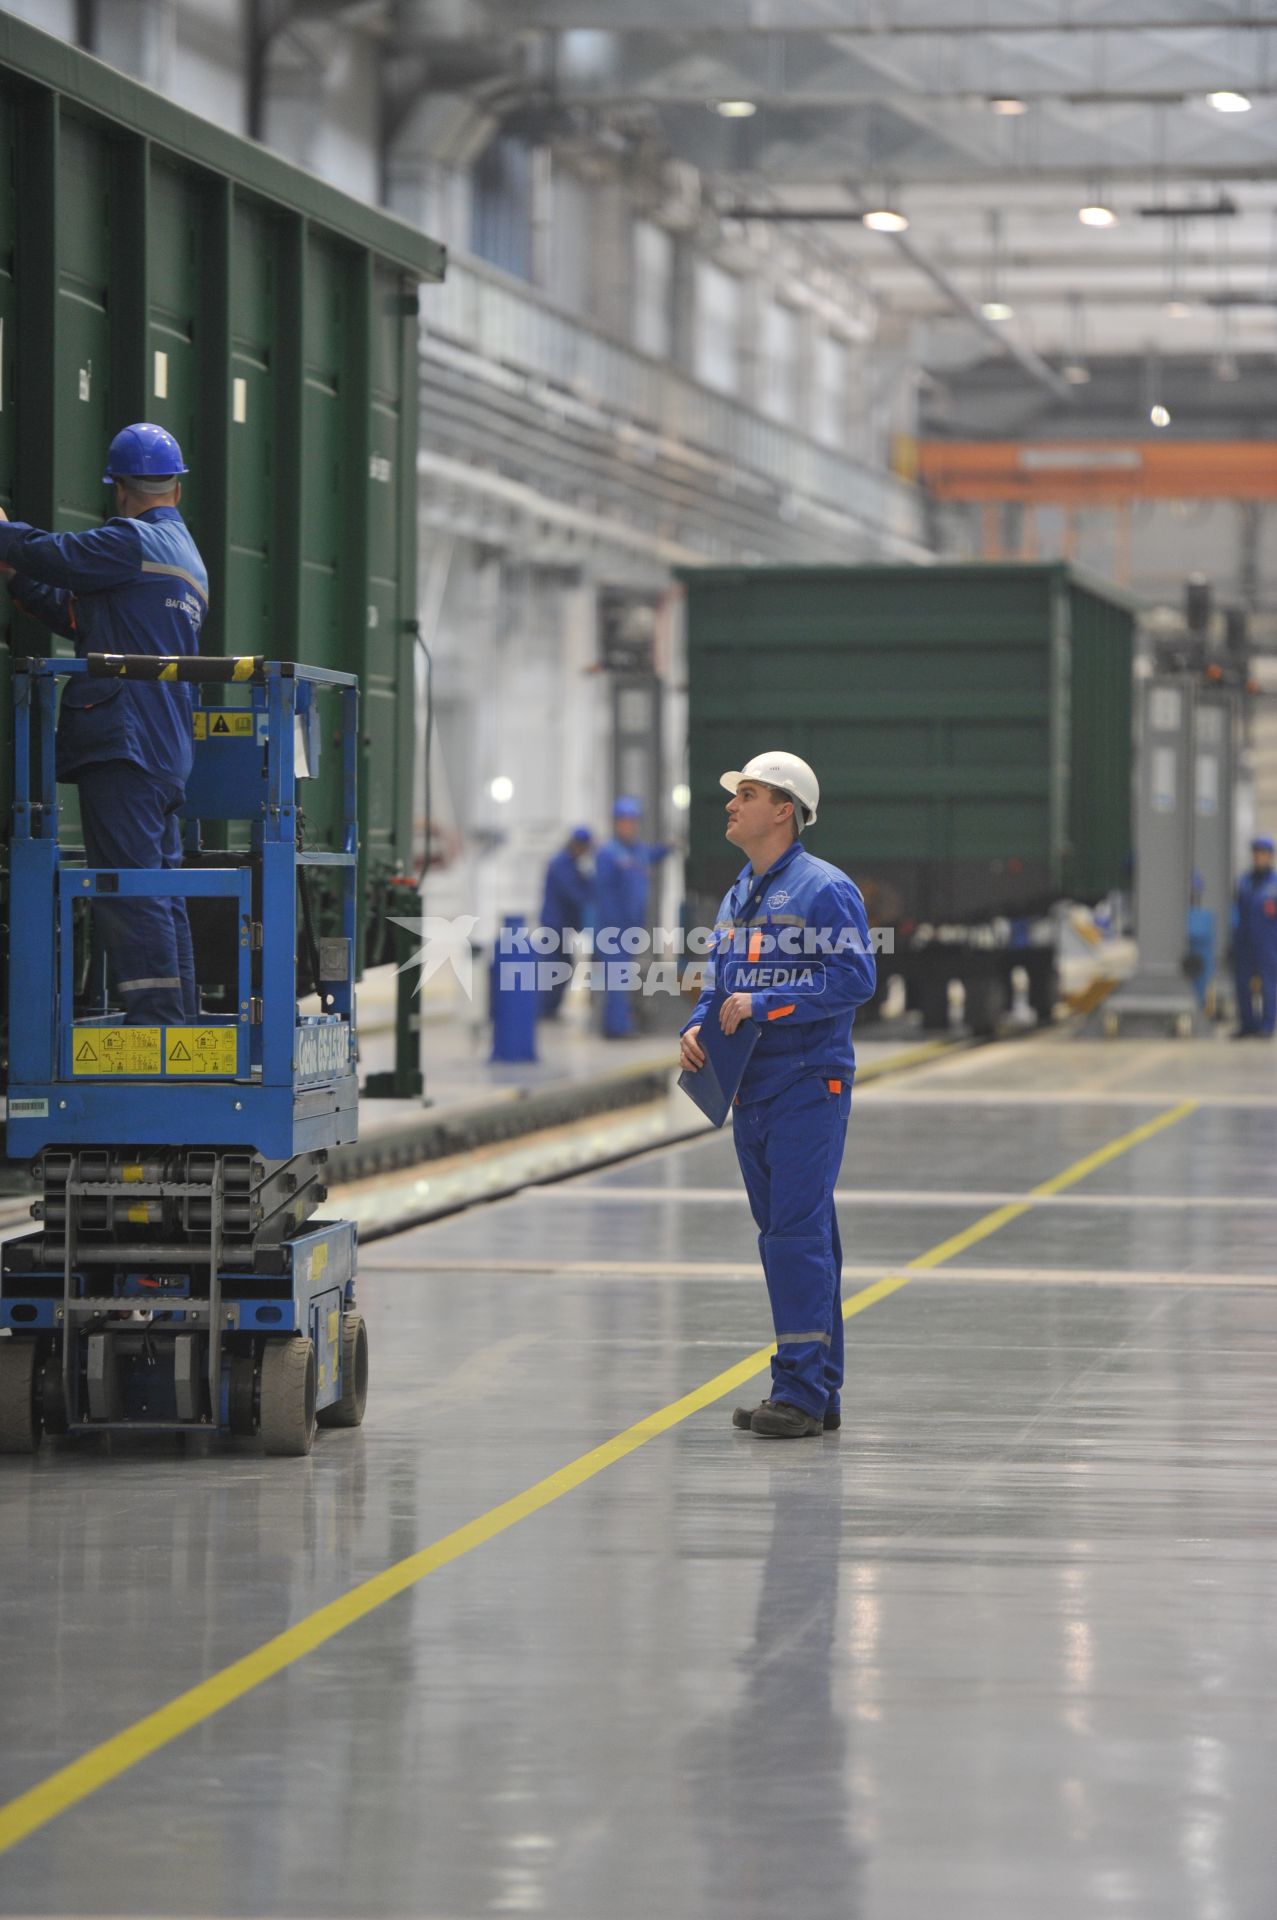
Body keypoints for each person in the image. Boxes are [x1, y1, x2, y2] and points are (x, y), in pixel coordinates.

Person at [679, 750, 876, 1438]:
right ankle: (817, 1392)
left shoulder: (824, 890)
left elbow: (853, 980)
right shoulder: (741, 892)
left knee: (794, 1236)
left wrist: (763, 1004)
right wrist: (698, 1027)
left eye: (749, 794)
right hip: (751, 1087)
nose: (731, 805)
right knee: (796, 1235)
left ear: (783, 810)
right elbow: (720, 980)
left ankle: (795, 1390)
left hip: (804, 1083)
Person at [0, 423, 207, 1025]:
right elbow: (81, 617)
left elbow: (59, 556)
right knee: (162, 892)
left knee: (127, 889)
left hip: (126, 741)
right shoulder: (184, 555)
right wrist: (16, 574)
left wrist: (6, 537)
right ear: (178, 489)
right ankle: (181, 1031)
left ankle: (157, 1034)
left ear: (118, 488)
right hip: (165, 748)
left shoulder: (129, 542)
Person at [593, 795, 670, 1039]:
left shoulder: (638, 851)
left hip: (632, 928)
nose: (630, 826)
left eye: (633, 821)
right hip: (613, 928)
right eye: (625, 821)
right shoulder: (608, 854)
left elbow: (651, 856)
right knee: (617, 978)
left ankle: (618, 1023)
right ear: (616, 823)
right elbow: (603, 893)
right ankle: (616, 1028)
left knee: (623, 977)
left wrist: (668, 848)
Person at [539, 825, 593, 1018]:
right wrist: (595, 894)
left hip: (563, 925)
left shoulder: (571, 863)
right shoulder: (562, 864)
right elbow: (573, 893)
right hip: (555, 925)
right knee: (555, 968)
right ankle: (544, 1008)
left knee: (563, 965)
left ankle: (549, 1008)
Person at [1232, 833, 1277, 1040]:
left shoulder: (1274, 884)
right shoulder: (1244, 882)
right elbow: (1236, 910)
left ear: (1270, 856)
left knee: (1269, 984)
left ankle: (1266, 1027)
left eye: (1262, 853)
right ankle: (1248, 1024)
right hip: (1245, 941)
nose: (1258, 857)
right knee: (1242, 983)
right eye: (1256, 853)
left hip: (1269, 943)